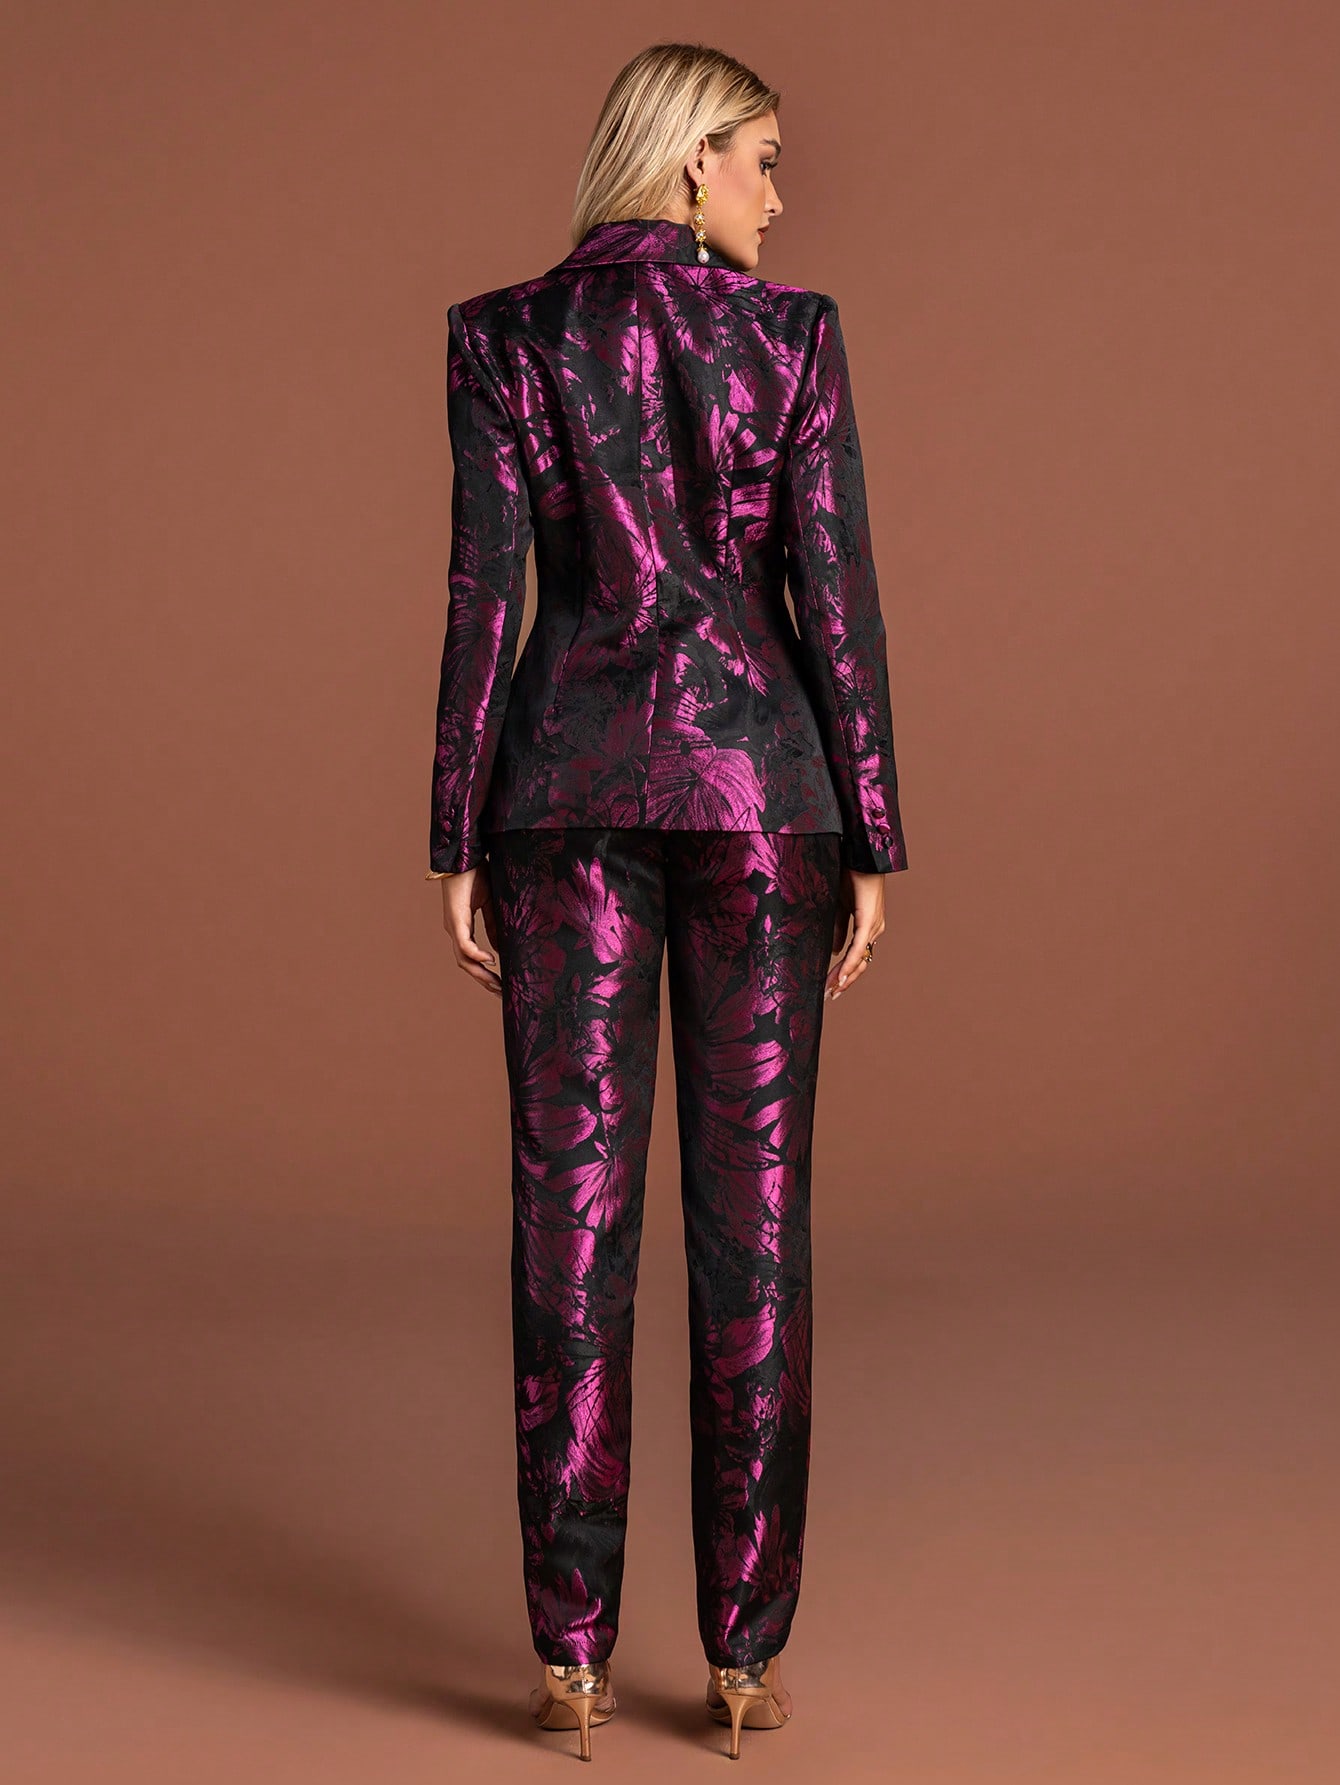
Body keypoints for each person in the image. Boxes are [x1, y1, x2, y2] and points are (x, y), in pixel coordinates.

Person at [425, 40, 907, 1762]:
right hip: (762, 801)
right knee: (754, 1224)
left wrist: (457, 830)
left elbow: (488, 596)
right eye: (762, 157)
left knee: (568, 1217)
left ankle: (571, 1658)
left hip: (562, 797)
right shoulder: (791, 339)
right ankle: (743, 1658)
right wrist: (871, 831)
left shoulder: (505, 336)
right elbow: (831, 593)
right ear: (692, 160)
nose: (779, 191)